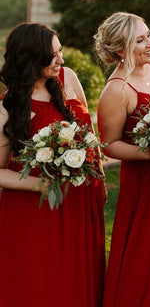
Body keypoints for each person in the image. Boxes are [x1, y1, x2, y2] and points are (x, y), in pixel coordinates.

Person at [0, 23, 105, 306]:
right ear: (32, 57)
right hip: (36, 209)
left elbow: (89, 135)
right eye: (54, 54)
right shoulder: (8, 108)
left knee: (78, 281)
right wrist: (40, 184)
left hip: (78, 201)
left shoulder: (68, 79)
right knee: (42, 282)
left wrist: (99, 182)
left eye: (60, 52)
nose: (62, 60)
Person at [96, 12, 150, 306]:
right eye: (140, 40)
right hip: (146, 187)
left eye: (149, 35)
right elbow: (108, 144)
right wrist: (149, 153)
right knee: (147, 257)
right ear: (120, 49)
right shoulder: (117, 89)